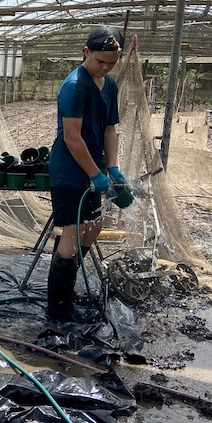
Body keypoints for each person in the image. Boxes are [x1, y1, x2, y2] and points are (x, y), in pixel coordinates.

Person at [46, 26, 128, 322]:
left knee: (93, 227)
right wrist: (95, 174)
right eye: (99, 61)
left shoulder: (110, 86)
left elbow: (109, 129)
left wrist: (114, 166)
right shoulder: (74, 86)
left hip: (94, 167)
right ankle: (57, 308)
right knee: (73, 231)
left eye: (111, 63)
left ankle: (66, 289)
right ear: (86, 53)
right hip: (70, 169)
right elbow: (72, 137)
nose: (105, 67)